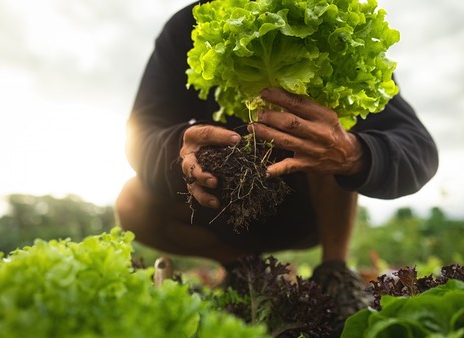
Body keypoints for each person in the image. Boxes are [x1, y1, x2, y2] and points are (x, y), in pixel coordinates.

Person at [115, 0, 438, 319]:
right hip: (221, 210)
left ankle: (334, 272)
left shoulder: (327, 17)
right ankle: (245, 269)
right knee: (131, 203)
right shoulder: (188, 27)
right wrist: (177, 150)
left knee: (326, 129)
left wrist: (352, 152)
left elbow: (418, 149)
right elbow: (141, 134)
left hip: (311, 210)